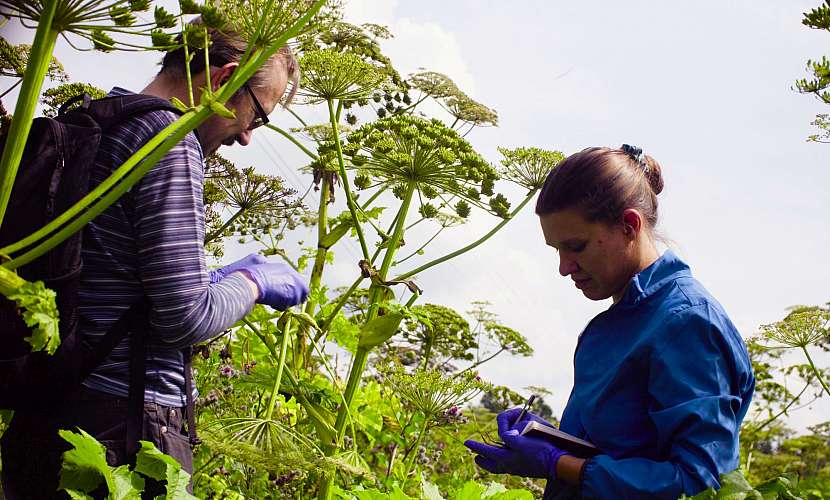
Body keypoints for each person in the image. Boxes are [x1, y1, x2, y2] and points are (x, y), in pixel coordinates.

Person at [1, 19, 309, 498]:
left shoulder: (107, 116)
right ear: (225, 79)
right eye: (258, 116)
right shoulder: (169, 141)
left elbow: (122, 275)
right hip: (120, 429)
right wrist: (252, 283)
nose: (247, 137)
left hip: (51, 408)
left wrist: (217, 275)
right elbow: (186, 317)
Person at [464, 145, 755, 499]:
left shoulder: (687, 323)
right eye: (557, 250)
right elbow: (622, 448)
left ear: (629, 226)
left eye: (577, 246)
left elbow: (700, 482)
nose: (564, 267)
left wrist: (558, 464)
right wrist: (548, 441)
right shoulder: (618, 321)